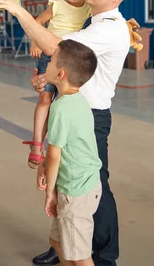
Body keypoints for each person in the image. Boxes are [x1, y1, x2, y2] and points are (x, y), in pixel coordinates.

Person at [0, 0, 142, 266]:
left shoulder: (109, 29)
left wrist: (18, 10)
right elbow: (69, 67)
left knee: (94, 187)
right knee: (66, 182)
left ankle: (103, 255)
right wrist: (47, 78)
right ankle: (64, 245)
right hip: (72, 110)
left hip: (91, 119)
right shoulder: (94, 22)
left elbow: (56, 48)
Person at [24, 0, 93, 170]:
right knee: (45, 97)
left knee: (63, 103)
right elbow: (37, 22)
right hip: (49, 56)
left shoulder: (88, 9)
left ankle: (58, 143)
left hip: (69, 59)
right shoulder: (58, 5)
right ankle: (37, 144)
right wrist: (36, 42)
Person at [41, 39, 102, 266]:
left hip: (75, 192)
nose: (47, 64)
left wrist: (50, 192)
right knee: (57, 242)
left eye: (51, 61)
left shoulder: (60, 108)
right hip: (86, 185)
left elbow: (54, 155)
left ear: (61, 74)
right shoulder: (78, 101)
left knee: (80, 256)